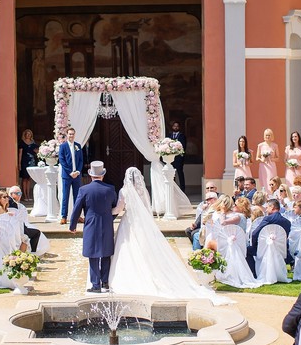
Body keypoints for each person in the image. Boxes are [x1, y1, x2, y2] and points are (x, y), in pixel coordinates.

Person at [108, 167, 228, 304]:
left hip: (129, 222)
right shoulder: (142, 191)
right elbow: (147, 208)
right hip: (142, 223)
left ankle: (128, 275)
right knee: (144, 248)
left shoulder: (124, 191)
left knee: (127, 247)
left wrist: (107, 212)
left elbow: (118, 208)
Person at [69, 161, 117, 293]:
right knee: (106, 253)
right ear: (102, 175)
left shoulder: (84, 190)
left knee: (93, 254)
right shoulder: (110, 189)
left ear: (90, 175)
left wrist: (72, 225)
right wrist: (109, 218)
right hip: (106, 224)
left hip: (91, 223)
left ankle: (96, 284)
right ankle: (105, 282)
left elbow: (76, 209)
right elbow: (114, 206)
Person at [246, 198, 291, 275]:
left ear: (272, 207)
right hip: (281, 250)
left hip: (265, 248)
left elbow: (254, 234)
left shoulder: (268, 219)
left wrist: (255, 245)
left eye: (267, 207)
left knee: (247, 250)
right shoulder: (287, 222)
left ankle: (255, 273)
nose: (266, 210)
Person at [58, 126, 84, 224]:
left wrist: (78, 171)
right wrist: (70, 172)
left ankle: (77, 216)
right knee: (65, 196)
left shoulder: (78, 146)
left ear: (74, 135)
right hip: (67, 175)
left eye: (73, 134)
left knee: (77, 196)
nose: (71, 136)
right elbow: (62, 160)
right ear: (67, 135)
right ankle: (64, 216)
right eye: (69, 134)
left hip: (76, 175)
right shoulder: (63, 146)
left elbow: (81, 160)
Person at [18, 128, 39, 201]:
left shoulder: (33, 143)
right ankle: (25, 195)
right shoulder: (22, 143)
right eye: (27, 134)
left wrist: (37, 152)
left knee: (29, 179)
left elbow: (37, 151)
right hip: (24, 162)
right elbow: (20, 153)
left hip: (32, 162)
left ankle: (28, 194)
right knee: (24, 179)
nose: (28, 135)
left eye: (29, 134)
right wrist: (19, 164)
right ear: (25, 135)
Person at [255, 128, 278, 195]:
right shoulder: (260, 145)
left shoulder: (275, 145)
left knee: (272, 180)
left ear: (272, 136)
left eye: (269, 135)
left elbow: (278, 158)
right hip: (263, 166)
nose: (267, 137)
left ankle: (273, 194)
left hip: (271, 166)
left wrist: (271, 159)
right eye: (266, 135)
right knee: (264, 181)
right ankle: (264, 195)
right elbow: (257, 158)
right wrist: (261, 159)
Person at [167, 121, 187, 193]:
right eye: (174, 126)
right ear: (172, 127)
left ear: (179, 127)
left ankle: (182, 189)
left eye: (177, 126)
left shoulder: (182, 136)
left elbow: (183, 147)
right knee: (172, 174)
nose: (175, 127)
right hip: (171, 158)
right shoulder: (169, 135)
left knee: (180, 173)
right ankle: (173, 189)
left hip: (179, 158)